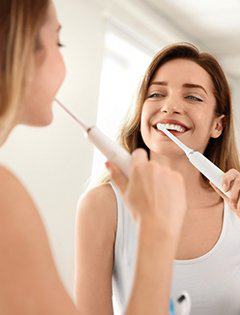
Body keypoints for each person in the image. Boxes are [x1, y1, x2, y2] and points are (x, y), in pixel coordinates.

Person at [76, 42, 240, 314]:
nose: (170, 106)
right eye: (156, 94)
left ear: (217, 125)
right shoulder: (102, 205)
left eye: (192, 97)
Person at [0, 1, 187, 314]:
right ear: (18, 47)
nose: (170, 107)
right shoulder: (5, 199)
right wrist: (158, 232)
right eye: (58, 41)